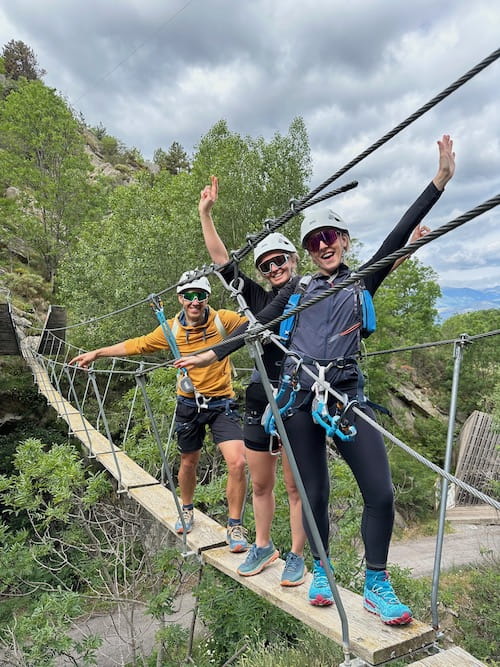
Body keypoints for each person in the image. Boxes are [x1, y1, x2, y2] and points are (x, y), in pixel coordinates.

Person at [176, 135, 455, 624]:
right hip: (300, 400)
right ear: (308, 251)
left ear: (344, 242)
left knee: (380, 492)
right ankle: (324, 571)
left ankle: (376, 582)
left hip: (346, 396)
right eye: (315, 240)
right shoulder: (296, 291)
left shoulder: (361, 280)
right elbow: (258, 326)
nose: (323, 244)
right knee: (314, 494)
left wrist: (439, 181)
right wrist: (209, 356)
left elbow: (396, 236)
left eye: (331, 237)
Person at [69, 273, 249, 553]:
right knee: (188, 461)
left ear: (207, 298)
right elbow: (136, 345)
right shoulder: (171, 330)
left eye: (200, 295)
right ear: (180, 298)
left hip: (221, 403)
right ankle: (187, 509)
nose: (194, 301)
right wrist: (97, 353)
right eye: (188, 296)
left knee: (237, 462)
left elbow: (256, 323)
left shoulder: (222, 320)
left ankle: (235, 525)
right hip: (189, 404)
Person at [198, 176, 308, 586]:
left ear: (293, 261)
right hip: (261, 397)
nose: (274, 268)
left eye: (280, 261)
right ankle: (264, 545)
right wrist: (205, 215)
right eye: (267, 265)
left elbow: (360, 283)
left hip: (296, 396)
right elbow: (223, 265)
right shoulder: (257, 300)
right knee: (261, 482)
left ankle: (297, 555)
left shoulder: (310, 293)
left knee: (296, 486)